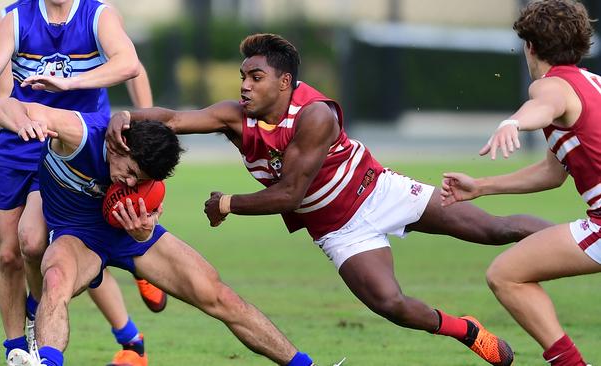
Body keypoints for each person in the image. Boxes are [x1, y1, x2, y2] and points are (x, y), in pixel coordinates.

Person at [106, 33, 556, 365]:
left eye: (255, 77)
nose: (244, 85)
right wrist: (123, 115)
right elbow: (172, 118)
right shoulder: (234, 118)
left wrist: (227, 204)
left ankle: (580, 240)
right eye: (243, 76)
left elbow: (290, 194)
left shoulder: (315, 114)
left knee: (495, 230)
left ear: (284, 83)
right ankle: (467, 329)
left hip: (380, 192)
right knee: (391, 305)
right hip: (338, 229)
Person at [0, 96, 322, 366]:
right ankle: (47, 361)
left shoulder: (145, 173)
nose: (132, 182)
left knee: (219, 296)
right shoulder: (78, 134)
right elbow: (5, 104)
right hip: (77, 235)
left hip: (129, 236)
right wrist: (24, 123)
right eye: (131, 171)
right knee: (56, 282)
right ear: (120, 145)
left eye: (141, 179)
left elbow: (146, 208)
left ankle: (303, 364)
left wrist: (145, 229)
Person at [0, 1, 165, 364]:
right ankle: (22, 347)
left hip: (76, 148)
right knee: (15, 251)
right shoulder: (14, 19)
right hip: (21, 141)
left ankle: (119, 311)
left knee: (55, 244)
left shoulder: (98, 16)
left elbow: (129, 65)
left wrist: (145, 124)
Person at [440, 1, 600, 365]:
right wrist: (481, 186)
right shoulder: (591, 83)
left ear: (530, 47)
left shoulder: (552, 86)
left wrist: (513, 123)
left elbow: (541, 106)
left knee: (506, 275)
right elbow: (552, 173)